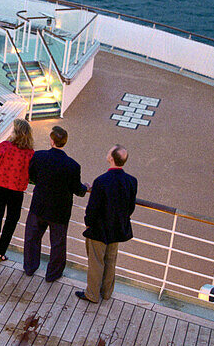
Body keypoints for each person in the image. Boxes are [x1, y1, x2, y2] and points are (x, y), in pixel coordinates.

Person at [23, 125, 87, 282]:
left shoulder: (39, 156)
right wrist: (86, 187)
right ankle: (53, 274)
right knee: (58, 244)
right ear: (64, 142)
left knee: (32, 238)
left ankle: (30, 267)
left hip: (39, 206)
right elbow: (77, 189)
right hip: (60, 211)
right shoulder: (73, 165)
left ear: (51, 141)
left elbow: (32, 175)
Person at [76, 145, 137, 304]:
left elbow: (92, 208)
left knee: (96, 262)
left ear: (111, 158)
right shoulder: (131, 181)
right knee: (111, 261)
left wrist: (88, 224)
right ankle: (107, 292)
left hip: (99, 229)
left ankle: (92, 294)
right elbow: (130, 207)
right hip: (117, 229)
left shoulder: (101, 181)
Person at [0, 118, 34, 261]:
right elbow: (32, 174)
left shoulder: (4, 146)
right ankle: (0, 251)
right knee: (12, 219)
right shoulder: (30, 154)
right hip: (16, 191)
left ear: (16, 132)